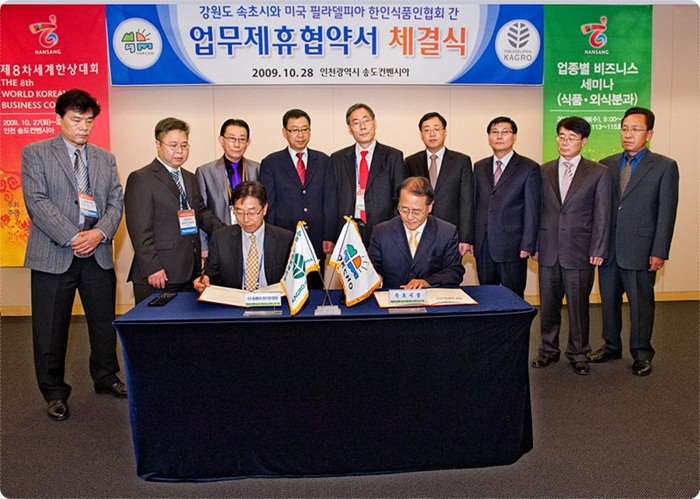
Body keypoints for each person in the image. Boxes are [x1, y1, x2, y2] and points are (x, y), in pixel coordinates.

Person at [21, 89, 126, 421]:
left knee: (103, 323)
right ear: (59, 119)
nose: (83, 127)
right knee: (51, 328)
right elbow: (36, 201)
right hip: (55, 253)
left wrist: (98, 233)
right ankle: (53, 391)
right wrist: (73, 236)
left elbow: (116, 202)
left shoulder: (104, 158)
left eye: (89, 121)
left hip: (97, 252)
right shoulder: (35, 153)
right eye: (76, 120)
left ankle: (106, 377)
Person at [588, 107, 679, 376]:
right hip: (609, 249)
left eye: (636, 129)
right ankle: (611, 345)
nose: (628, 134)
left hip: (641, 249)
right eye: (625, 129)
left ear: (649, 134)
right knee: (608, 301)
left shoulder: (664, 166)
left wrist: (659, 251)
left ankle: (641, 353)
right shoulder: (606, 164)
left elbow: (667, 212)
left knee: (641, 305)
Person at [531, 116, 612, 376]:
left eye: (572, 138)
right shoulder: (543, 170)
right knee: (548, 305)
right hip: (548, 249)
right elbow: (536, 211)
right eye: (562, 137)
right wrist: (534, 244)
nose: (565, 142)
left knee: (578, 307)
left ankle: (578, 353)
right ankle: (548, 350)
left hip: (580, 251)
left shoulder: (598, 172)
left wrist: (598, 248)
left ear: (583, 141)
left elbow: (602, 214)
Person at [125, 117, 225, 304]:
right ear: (158, 144)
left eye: (184, 145)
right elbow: (139, 230)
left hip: (190, 272)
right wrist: (152, 267)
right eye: (173, 145)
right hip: (159, 274)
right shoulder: (142, 178)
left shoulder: (189, 177)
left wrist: (231, 233)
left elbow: (202, 214)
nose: (180, 151)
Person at [258, 109, 337, 288]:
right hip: (284, 239)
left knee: (315, 289)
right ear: (284, 132)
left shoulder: (324, 161)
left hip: (316, 239)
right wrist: (272, 239)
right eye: (294, 130)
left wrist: (329, 235)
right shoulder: (271, 163)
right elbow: (269, 205)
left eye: (304, 129)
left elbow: (330, 201)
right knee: (287, 289)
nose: (300, 135)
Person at [473, 116, 541, 298]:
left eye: (505, 132)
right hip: (484, 245)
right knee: (486, 297)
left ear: (514, 137)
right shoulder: (479, 167)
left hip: (513, 246)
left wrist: (528, 244)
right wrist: (472, 239)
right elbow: (474, 205)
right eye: (494, 132)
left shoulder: (529, 167)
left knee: (513, 298)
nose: (499, 136)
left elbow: (532, 210)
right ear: (488, 137)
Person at [193, 181, 294, 292]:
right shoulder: (220, 238)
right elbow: (210, 276)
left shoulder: (285, 239)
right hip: (234, 301)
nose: (246, 219)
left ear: (264, 209)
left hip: (273, 299)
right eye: (239, 213)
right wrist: (204, 281)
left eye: (252, 212)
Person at [332, 103, 408, 247]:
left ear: (374, 123)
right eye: (356, 123)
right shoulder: (338, 159)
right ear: (349, 129)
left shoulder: (393, 156)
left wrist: (392, 228)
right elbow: (333, 199)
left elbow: (400, 197)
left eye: (366, 120)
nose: (362, 127)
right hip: (348, 230)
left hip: (383, 231)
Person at [369, 176, 464, 289]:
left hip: (430, 296)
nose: (409, 217)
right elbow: (371, 270)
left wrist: (427, 282)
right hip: (391, 295)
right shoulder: (381, 232)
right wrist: (375, 279)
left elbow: (454, 272)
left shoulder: (446, 233)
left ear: (430, 207)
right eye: (404, 209)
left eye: (417, 212)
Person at [404, 111, 474, 256]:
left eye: (436, 129)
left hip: (451, 233)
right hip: (419, 233)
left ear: (445, 132)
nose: (432, 134)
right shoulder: (411, 162)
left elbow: (467, 201)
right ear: (421, 134)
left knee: (449, 270)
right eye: (427, 130)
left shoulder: (461, 161)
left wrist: (466, 238)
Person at [195, 118, 260, 257]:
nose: (237, 144)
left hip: (252, 238)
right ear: (221, 140)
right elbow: (201, 211)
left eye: (241, 139)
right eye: (232, 139)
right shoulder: (205, 172)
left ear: (248, 142)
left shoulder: (257, 169)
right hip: (218, 239)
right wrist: (203, 246)